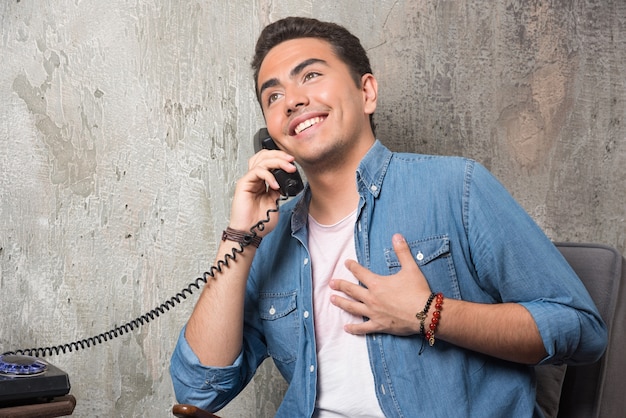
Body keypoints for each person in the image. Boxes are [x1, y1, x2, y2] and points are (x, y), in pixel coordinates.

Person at [170, 16, 607, 417]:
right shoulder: (271, 240)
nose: (293, 100)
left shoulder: (458, 188)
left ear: (367, 93)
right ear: (270, 132)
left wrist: (430, 313)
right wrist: (239, 238)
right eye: (274, 95)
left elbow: (580, 329)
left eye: (311, 76)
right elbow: (197, 392)